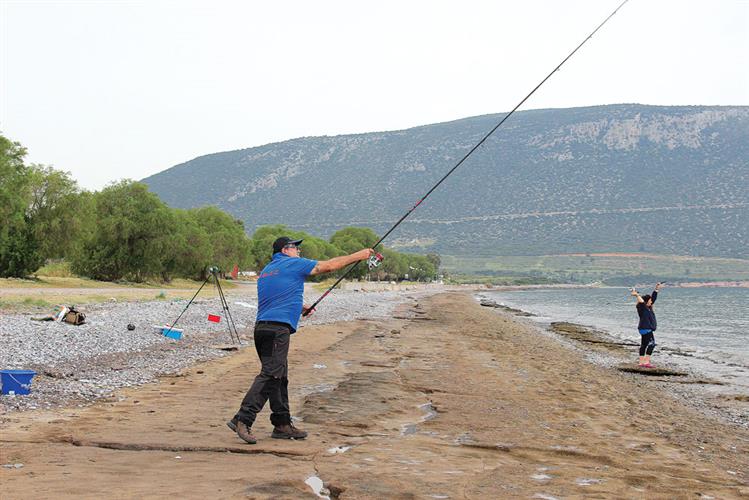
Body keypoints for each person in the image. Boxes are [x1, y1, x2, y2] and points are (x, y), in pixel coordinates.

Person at [228, 236, 374, 444]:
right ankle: (243, 418)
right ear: (286, 250)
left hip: (262, 329)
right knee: (271, 374)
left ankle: (282, 424)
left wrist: (301, 307)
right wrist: (358, 255)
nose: (299, 251)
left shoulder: (268, 270)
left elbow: (277, 295)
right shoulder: (293, 264)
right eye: (296, 248)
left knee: (279, 376)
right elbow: (330, 266)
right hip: (277, 330)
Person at [630, 282, 663, 368]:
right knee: (651, 344)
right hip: (646, 329)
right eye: (650, 300)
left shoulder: (648, 307)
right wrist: (636, 295)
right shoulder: (643, 307)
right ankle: (646, 362)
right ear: (646, 301)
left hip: (644, 329)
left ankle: (641, 363)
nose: (651, 301)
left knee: (644, 345)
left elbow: (654, 298)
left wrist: (656, 288)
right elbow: (641, 301)